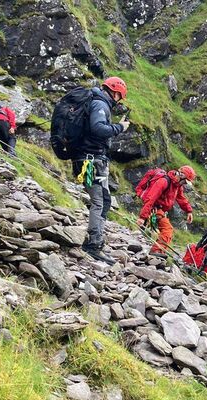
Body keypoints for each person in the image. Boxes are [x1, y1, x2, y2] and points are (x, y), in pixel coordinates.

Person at [72, 77, 130, 265]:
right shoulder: (100, 105)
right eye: (119, 97)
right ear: (115, 92)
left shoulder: (94, 102)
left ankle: (95, 241)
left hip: (87, 159)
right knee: (100, 202)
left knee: (102, 200)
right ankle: (93, 245)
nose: (119, 101)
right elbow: (98, 128)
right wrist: (119, 127)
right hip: (92, 161)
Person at [136, 166, 196, 257]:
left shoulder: (177, 185)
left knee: (153, 230)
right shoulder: (164, 181)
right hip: (154, 208)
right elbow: (150, 199)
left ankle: (157, 251)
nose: (185, 184)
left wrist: (189, 211)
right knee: (168, 229)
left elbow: (181, 198)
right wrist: (142, 217)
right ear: (181, 175)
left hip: (160, 210)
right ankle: (156, 251)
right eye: (185, 181)